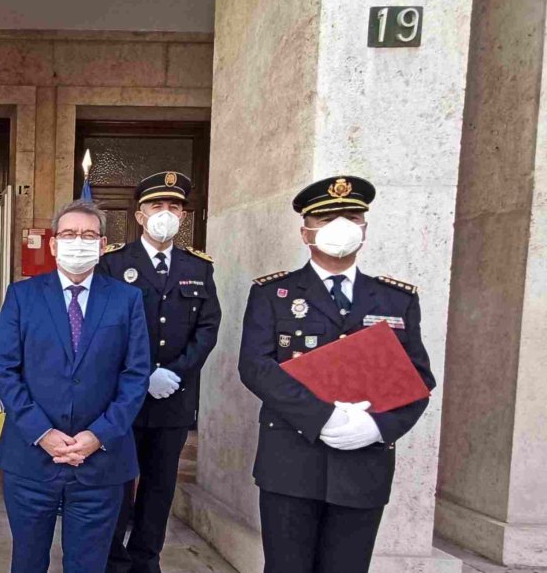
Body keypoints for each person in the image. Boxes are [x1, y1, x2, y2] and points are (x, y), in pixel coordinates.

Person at [239, 176, 436, 573]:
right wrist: (322, 417)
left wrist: (378, 427)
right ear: (305, 232)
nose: (340, 225)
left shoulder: (396, 298)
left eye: (351, 215)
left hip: (364, 464)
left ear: (364, 227)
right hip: (291, 461)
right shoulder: (272, 294)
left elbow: (418, 380)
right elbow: (256, 367)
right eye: (327, 217)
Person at [0, 200, 153, 573]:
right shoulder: (22, 296)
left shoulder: (127, 299)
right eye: (68, 234)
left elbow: (135, 375)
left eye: (87, 235)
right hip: (31, 458)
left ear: (102, 245)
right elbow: (6, 370)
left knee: (88, 564)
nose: (77, 242)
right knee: (28, 561)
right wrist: (42, 432)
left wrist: (99, 435)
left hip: (101, 462)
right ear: (53, 244)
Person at [99, 171, 222, 573]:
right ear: (139, 215)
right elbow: (104, 330)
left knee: (159, 486)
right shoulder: (113, 264)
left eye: (173, 206)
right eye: (156, 205)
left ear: (184, 216)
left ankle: (146, 559)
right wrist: (143, 374)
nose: (165, 213)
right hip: (124, 398)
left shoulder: (198, 267)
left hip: (174, 398)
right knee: (117, 484)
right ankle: (113, 560)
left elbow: (207, 327)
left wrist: (176, 373)